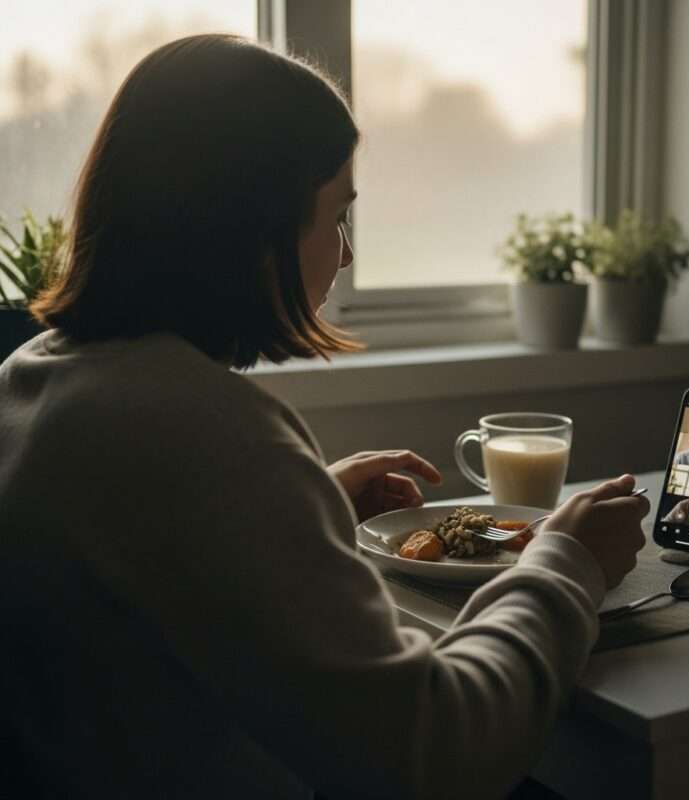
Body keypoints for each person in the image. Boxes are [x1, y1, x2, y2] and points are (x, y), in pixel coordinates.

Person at [0, 35, 649, 799]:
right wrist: (565, 565)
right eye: (337, 215)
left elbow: (139, 588)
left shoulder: (36, 372)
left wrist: (308, 507)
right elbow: (437, 752)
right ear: (252, 224)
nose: (344, 257)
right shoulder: (202, 431)